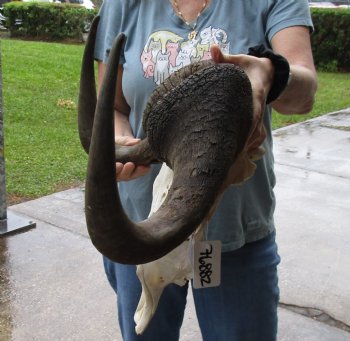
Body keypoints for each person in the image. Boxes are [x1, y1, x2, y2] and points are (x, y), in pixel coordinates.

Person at [93, 0, 317, 340]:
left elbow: (303, 94)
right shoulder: (123, 3)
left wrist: (272, 73)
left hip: (235, 235)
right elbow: (111, 107)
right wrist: (121, 142)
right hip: (142, 228)